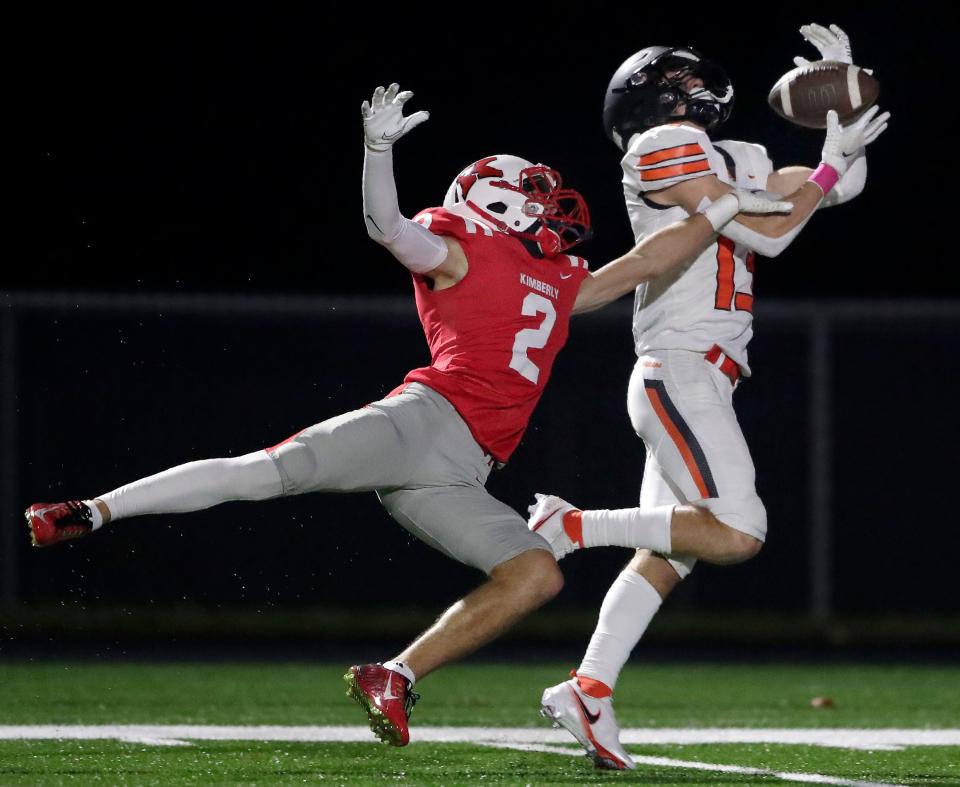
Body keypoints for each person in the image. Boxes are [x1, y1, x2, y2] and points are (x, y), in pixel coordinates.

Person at [25, 83, 791, 748]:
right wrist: (377, 150)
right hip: (421, 422)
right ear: (491, 199)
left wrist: (720, 208)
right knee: (262, 474)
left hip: (467, 468)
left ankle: (393, 674)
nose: (549, 205)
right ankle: (92, 509)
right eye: (533, 191)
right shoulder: (459, 246)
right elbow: (386, 226)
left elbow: (649, 264)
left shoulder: (555, 276)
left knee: (534, 574)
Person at [527, 25, 889, 770]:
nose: (703, 87)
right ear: (659, 94)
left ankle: (587, 688)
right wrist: (822, 171)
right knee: (739, 530)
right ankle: (571, 525)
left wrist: (843, 100)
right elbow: (773, 236)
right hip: (678, 365)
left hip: (709, 372)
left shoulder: (743, 156)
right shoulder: (658, 146)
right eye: (686, 80)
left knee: (670, 553)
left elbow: (836, 187)